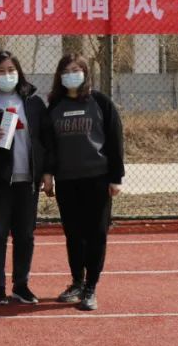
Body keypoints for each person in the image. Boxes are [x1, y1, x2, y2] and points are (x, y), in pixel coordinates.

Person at [45, 53, 125, 312]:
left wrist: (116, 177)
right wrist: (48, 174)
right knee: (73, 234)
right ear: (60, 76)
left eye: (76, 69)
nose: (72, 74)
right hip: (67, 180)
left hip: (97, 180)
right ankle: (77, 282)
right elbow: (48, 145)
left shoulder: (100, 102)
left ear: (86, 72)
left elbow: (115, 140)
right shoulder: (54, 106)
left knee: (96, 234)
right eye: (67, 70)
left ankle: (91, 286)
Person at [0, 50, 50, 305]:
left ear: (18, 72)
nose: (6, 75)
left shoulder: (34, 102)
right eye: (0, 71)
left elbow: (45, 139)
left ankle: (21, 284)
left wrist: (46, 171)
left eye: (11, 70)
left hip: (27, 180)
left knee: (25, 234)